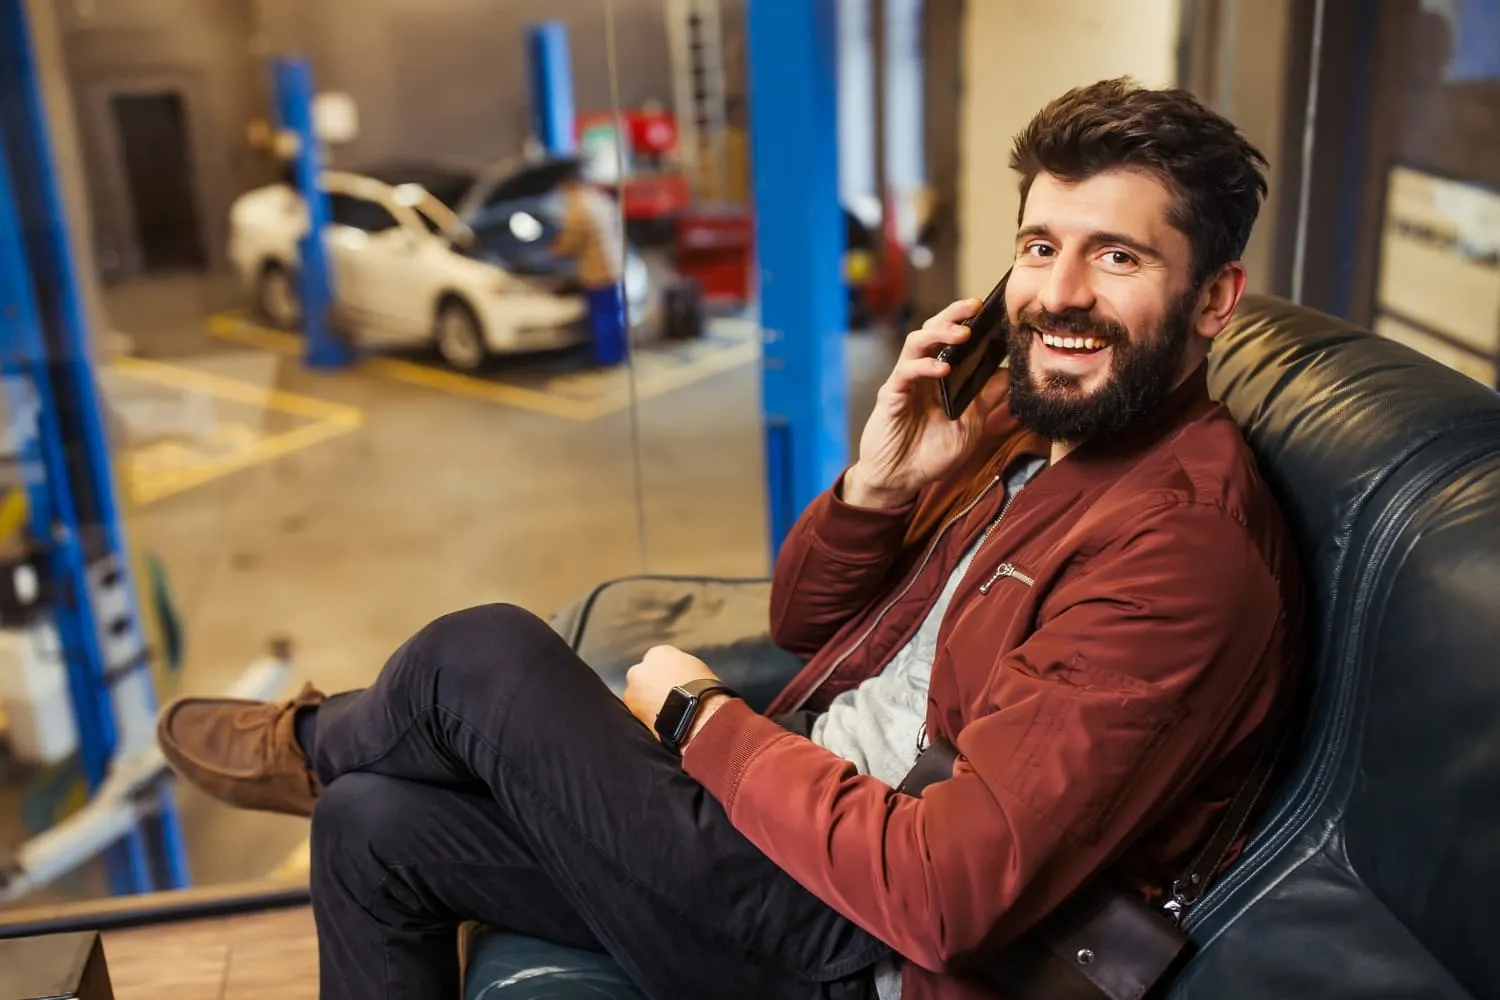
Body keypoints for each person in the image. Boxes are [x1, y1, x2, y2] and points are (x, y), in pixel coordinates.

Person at [156, 78, 1304, 1000]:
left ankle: (310, 742)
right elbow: (805, 617)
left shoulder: (1179, 550)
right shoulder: (1015, 418)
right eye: (1040, 247)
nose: (1058, 294)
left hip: (851, 944)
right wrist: (875, 485)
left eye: (1117, 256)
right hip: (791, 826)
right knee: (372, 826)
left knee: (482, 656)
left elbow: (948, 897)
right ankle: (336, 768)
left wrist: (701, 720)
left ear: (1214, 300)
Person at [553, 170, 628, 366]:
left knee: (601, 316)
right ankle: (619, 351)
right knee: (613, 312)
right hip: (613, 262)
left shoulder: (578, 204)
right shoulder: (598, 198)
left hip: (597, 268)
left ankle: (606, 357)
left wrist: (558, 250)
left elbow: (574, 236)